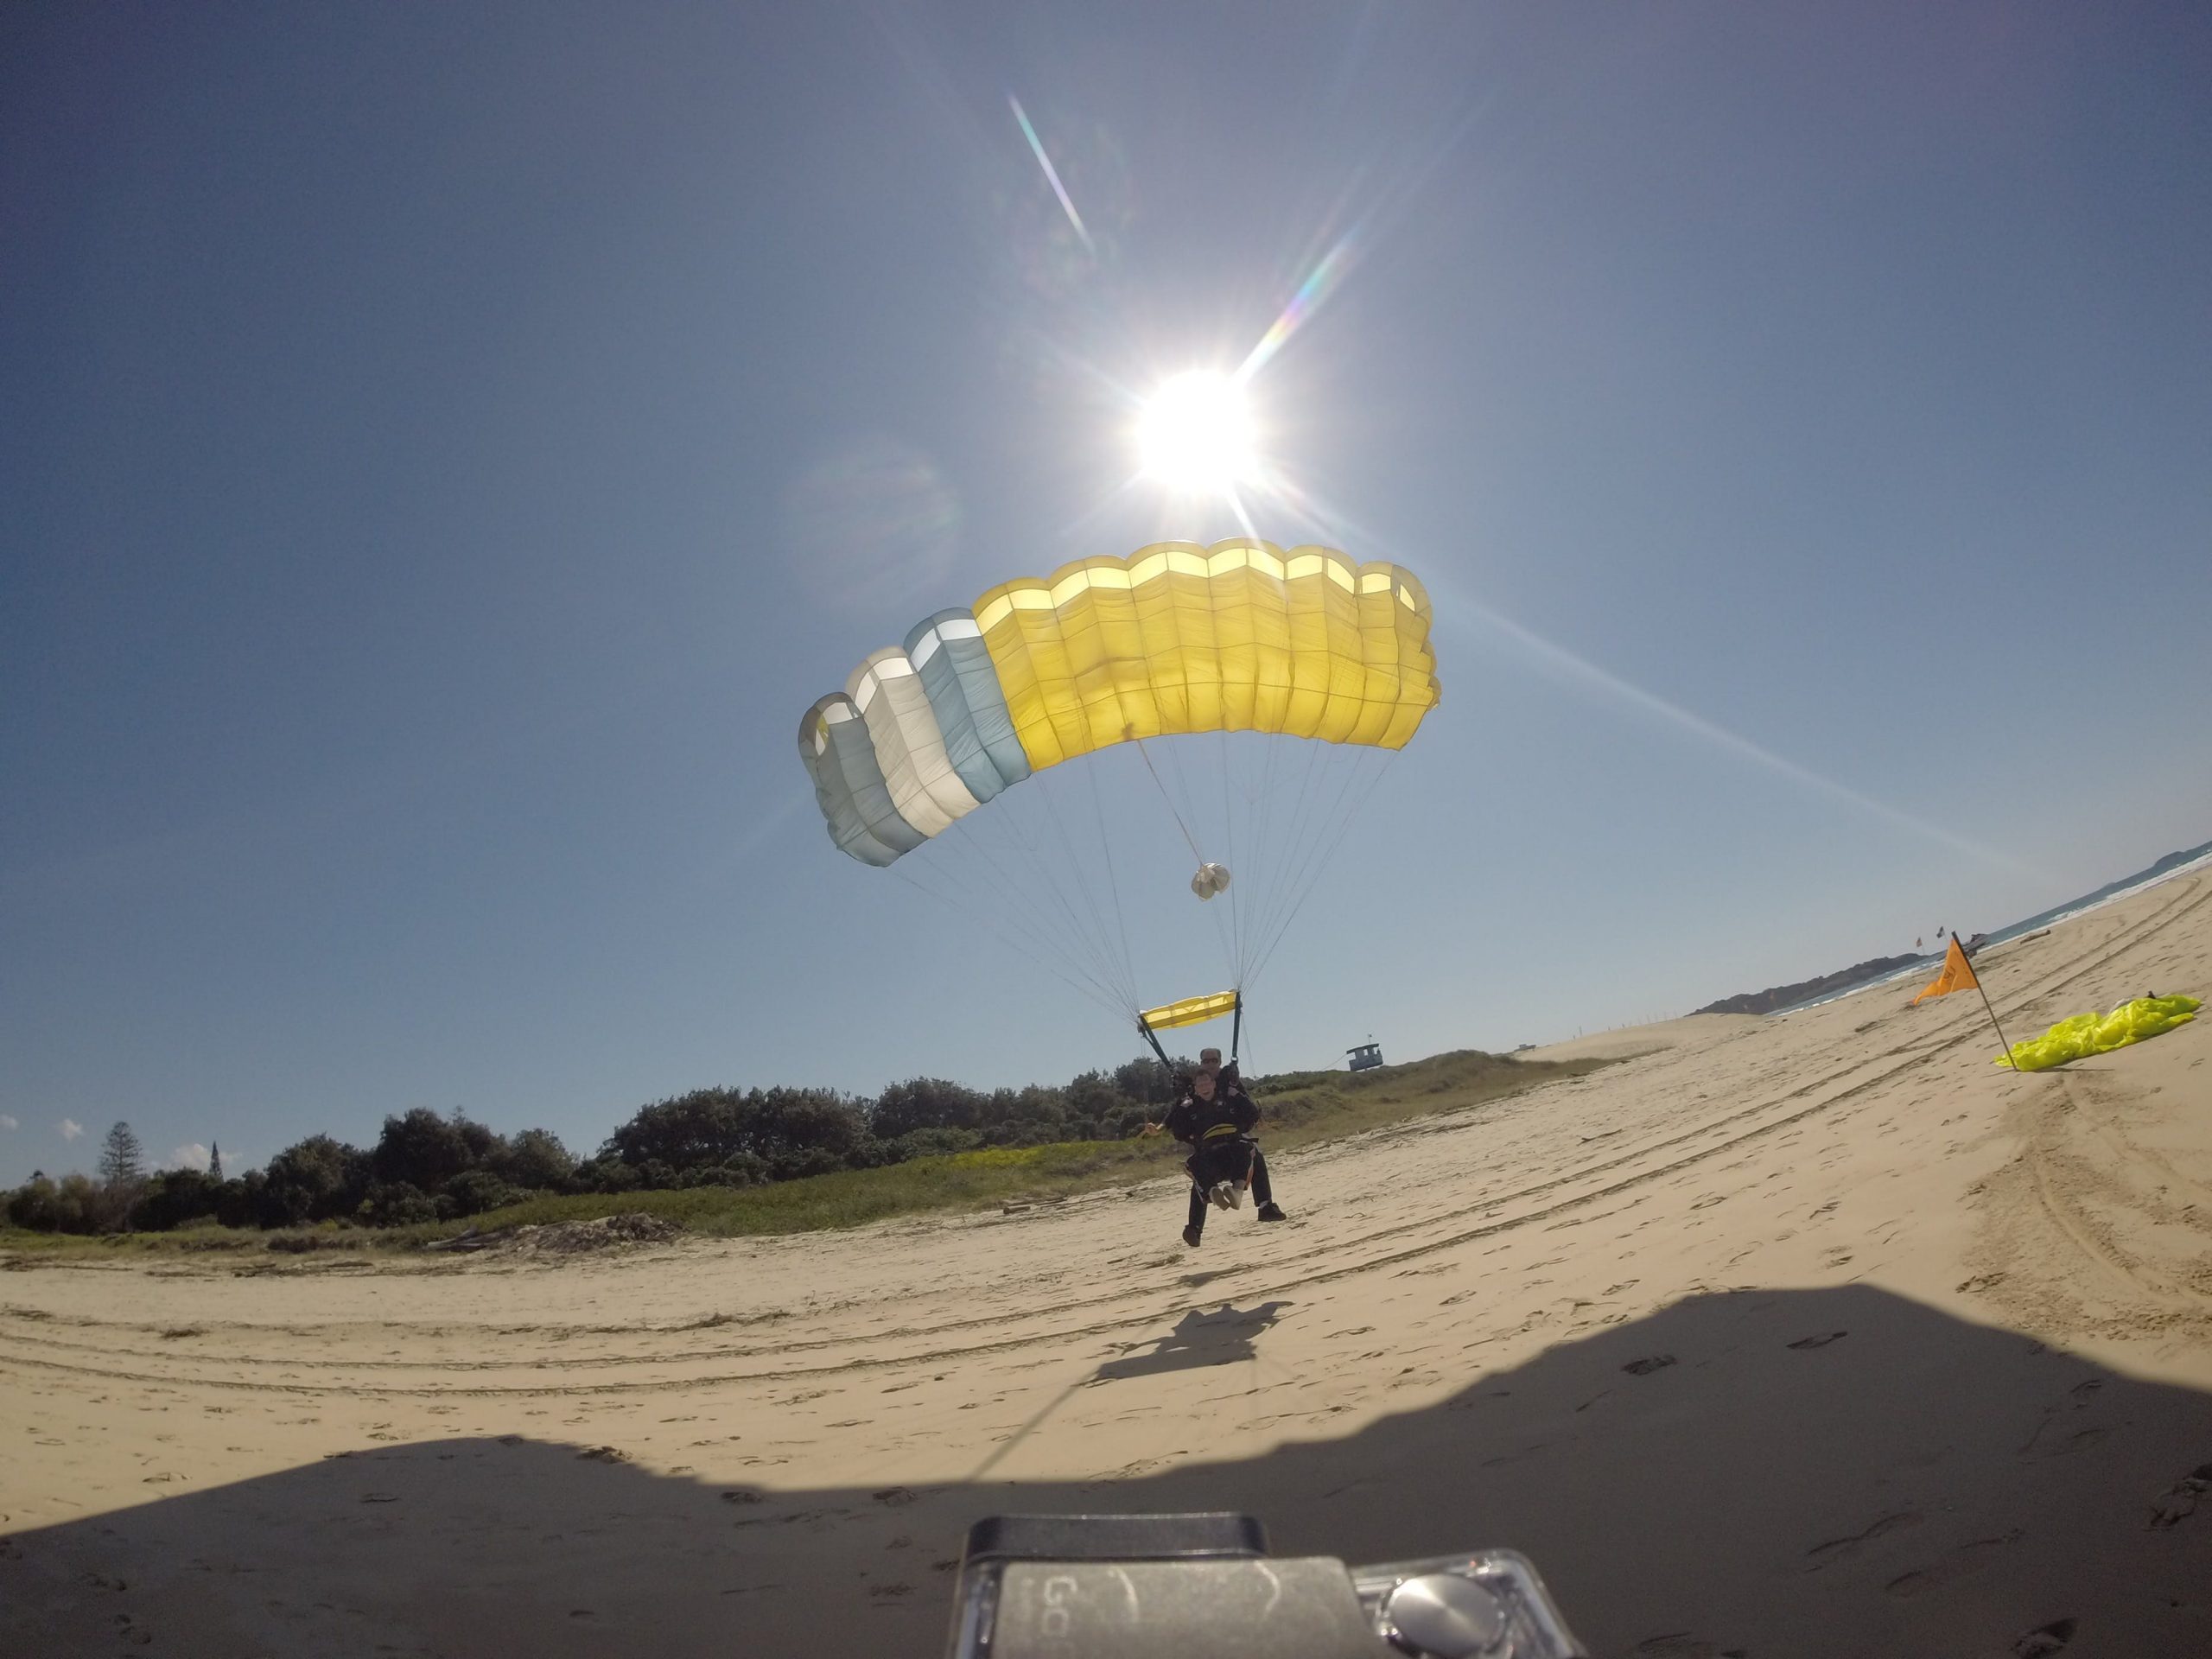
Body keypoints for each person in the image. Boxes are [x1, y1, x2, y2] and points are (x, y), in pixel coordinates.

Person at [1143, 1057, 1287, 1247]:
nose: (1210, 1064)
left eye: (1214, 1061)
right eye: (1206, 1061)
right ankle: (1198, 1221)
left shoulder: (1229, 1090)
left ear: (1217, 1070)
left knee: (1251, 1151)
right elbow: (1173, 1124)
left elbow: (1251, 1112)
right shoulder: (1188, 1102)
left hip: (1234, 1153)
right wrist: (1159, 1128)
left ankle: (1259, 1203)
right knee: (1197, 1168)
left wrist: (1236, 1091)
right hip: (1210, 1157)